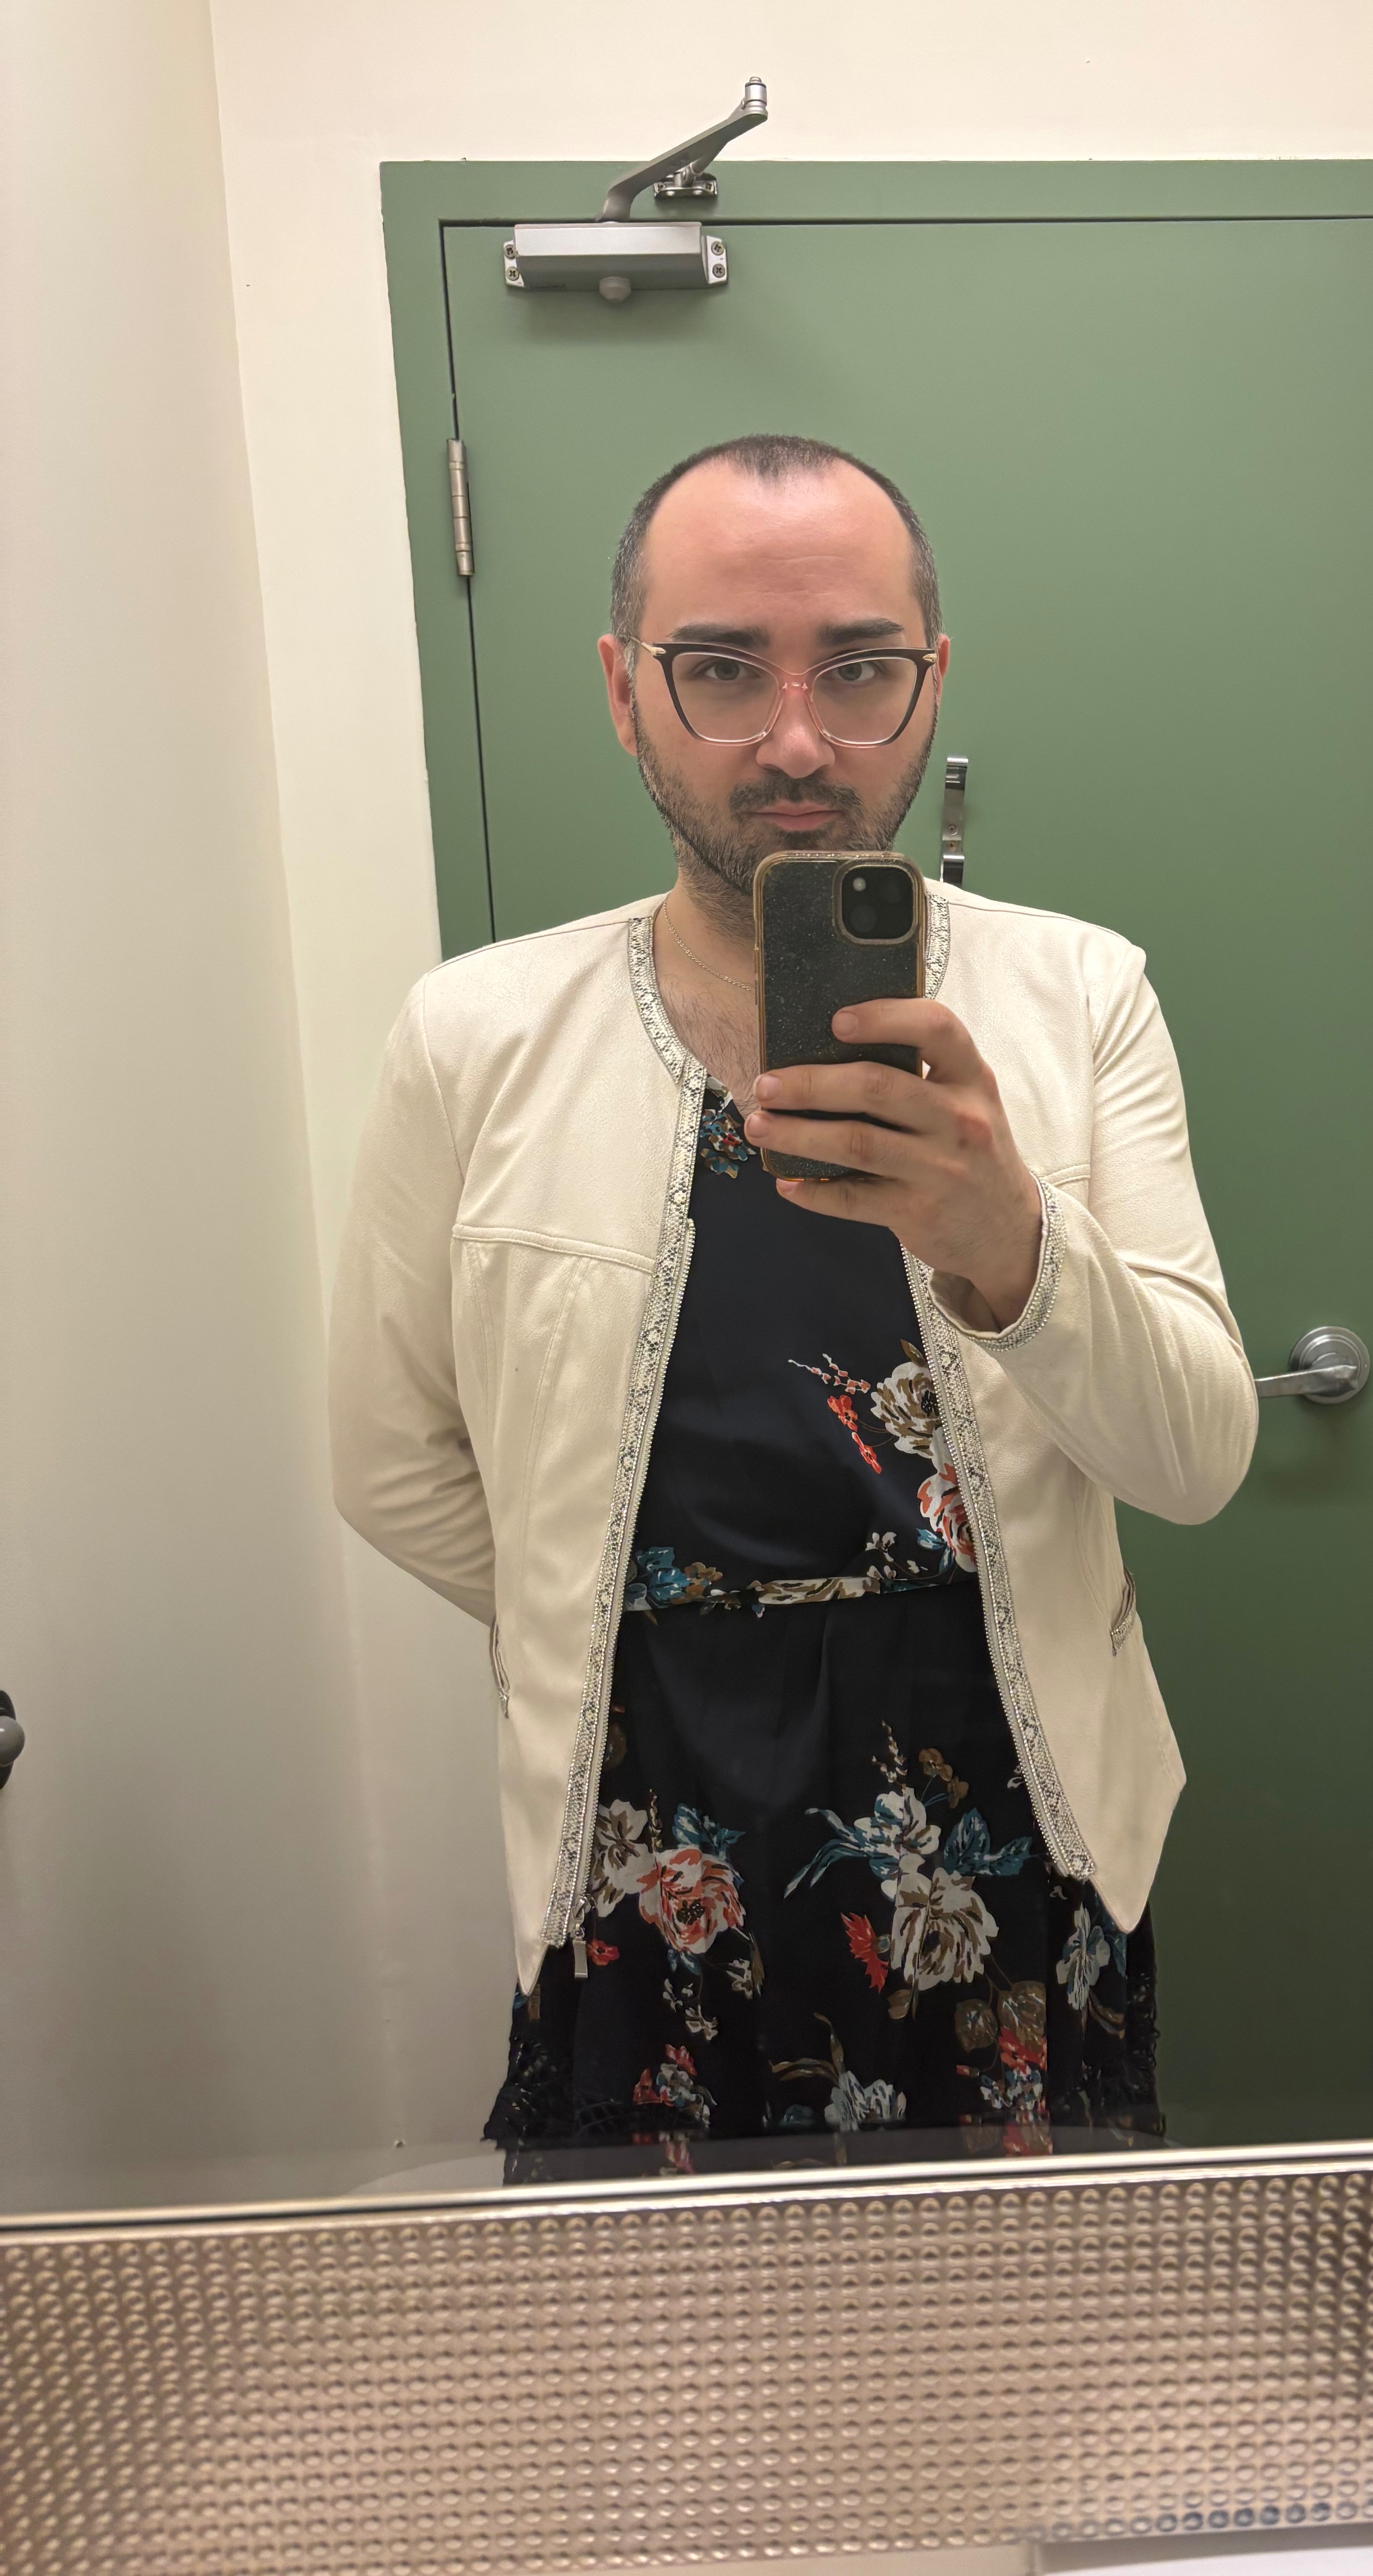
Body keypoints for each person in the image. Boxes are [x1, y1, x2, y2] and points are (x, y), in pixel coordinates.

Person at [329, 433, 1257, 2159]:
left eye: (857, 667)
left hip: (1010, 1805)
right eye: (721, 669)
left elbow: (1196, 1461)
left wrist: (1011, 1242)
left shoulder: (1081, 998)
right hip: (638, 1829)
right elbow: (390, 1460)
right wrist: (606, 1613)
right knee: (654, 2322)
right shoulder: (472, 1038)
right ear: (623, 689)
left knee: (1025, 2303)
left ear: (932, 679)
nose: (797, 742)